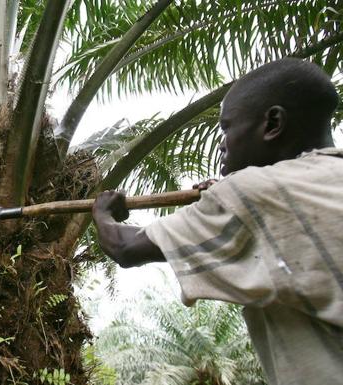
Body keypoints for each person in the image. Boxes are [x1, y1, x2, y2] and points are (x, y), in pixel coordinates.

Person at [92, 57, 343, 385]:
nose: (221, 143)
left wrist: (103, 212)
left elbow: (124, 248)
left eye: (227, 127)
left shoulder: (252, 191)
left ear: (273, 124)